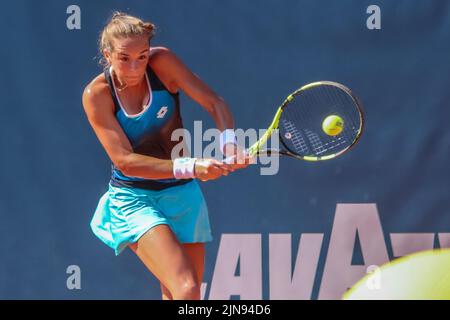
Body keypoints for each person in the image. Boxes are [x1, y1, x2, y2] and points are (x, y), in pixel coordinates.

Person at [82, 12, 250, 300]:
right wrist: (192, 166)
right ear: (107, 55)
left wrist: (229, 142)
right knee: (187, 288)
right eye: (124, 58)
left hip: (183, 195)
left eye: (142, 56)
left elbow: (214, 102)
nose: (135, 67)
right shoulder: (97, 94)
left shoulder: (163, 64)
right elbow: (126, 162)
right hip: (134, 199)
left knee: (181, 296)